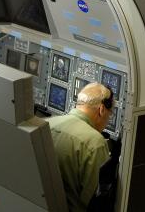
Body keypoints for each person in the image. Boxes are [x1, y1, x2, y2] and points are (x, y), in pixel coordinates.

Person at [48, 82, 113, 212]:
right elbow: (96, 202)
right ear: (101, 110)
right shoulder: (96, 143)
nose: (109, 119)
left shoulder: (45, 124)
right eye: (110, 113)